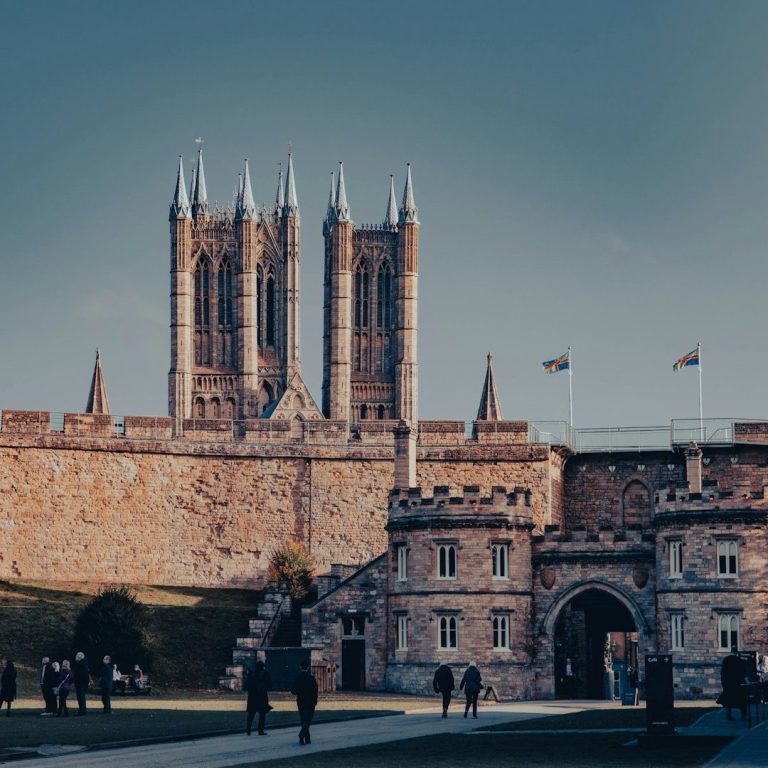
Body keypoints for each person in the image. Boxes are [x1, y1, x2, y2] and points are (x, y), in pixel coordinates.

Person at [290, 659, 318, 745]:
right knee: (308, 720)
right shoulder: (311, 679)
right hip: (310, 701)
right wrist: (315, 701)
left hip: (301, 700)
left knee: (303, 720)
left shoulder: (297, 678)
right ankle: (302, 735)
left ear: (300, 667)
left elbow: (293, 691)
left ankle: (305, 739)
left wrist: (299, 691)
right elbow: (315, 690)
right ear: (308, 667)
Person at [244, 660, 273, 736]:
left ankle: (248, 730)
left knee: (251, 714)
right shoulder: (265, 673)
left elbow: (247, 685)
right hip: (262, 696)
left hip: (252, 696)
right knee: (262, 714)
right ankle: (260, 730)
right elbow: (269, 685)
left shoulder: (251, 673)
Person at [719, 646, 747, 721]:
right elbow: (743, 673)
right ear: (737, 652)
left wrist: (724, 683)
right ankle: (743, 715)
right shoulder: (739, 660)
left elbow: (723, 673)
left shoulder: (726, 660)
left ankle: (729, 715)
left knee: (729, 700)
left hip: (728, 683)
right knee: (741, 699)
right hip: (737, 683)